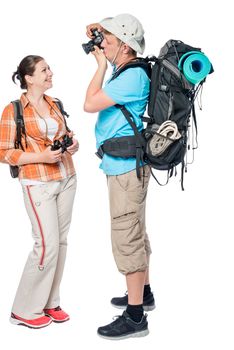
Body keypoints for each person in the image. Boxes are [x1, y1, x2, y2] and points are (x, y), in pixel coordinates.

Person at [84, 14, 155, 340]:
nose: (104, 46)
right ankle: (145, 292)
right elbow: (100, 31)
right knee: (135, 231)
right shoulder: (128, 66)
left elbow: (90, 103)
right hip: (125, 167)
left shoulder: (130, 76)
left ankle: (136, 316)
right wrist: (100, 31)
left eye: (110, 42)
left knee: (126, 237)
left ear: (126, 46)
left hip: (126, 170)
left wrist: (98, 65)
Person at [0, 55, 78, 329]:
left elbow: (66, 134)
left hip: (66, 176)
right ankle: (23, 309)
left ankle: (50, 302)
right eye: (44, 70)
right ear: (29, 78)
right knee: (45, 244)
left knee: (61, 243)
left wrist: (71, 144)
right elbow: (3, 152)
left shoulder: (55, 104)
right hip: (38, 181)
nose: (50, 73)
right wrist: (41, 157)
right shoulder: (13, 110)